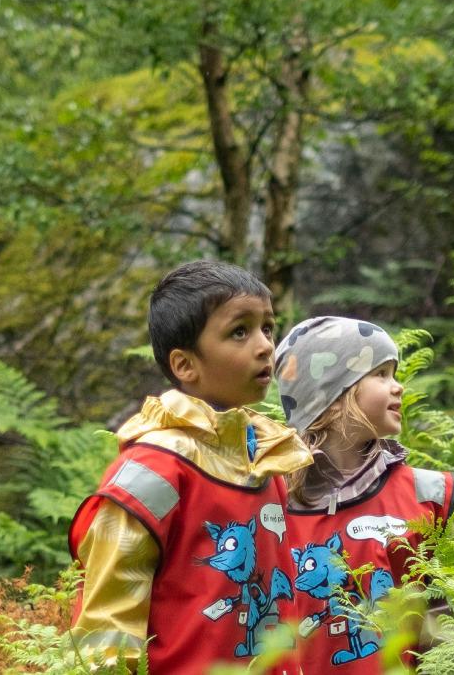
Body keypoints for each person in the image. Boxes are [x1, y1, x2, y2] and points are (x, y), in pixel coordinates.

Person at [67, 260, 312, 673]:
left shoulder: (266, 458)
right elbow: (107, 629)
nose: (265, 345)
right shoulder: (153, 470)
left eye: (267, 328)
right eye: (240, 331)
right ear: (185, 365)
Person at [274, 316, 454, 672]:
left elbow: (441, 623)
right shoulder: (270, 499)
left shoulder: (424, 494)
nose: (398, 387)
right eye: (381, 374)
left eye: (395, 373)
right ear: (331, 393)